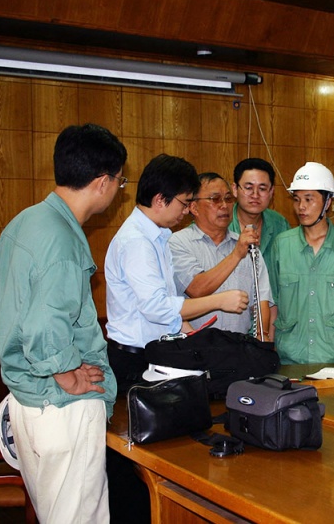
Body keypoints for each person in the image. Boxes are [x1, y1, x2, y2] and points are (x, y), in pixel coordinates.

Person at [0, 123, 127, 523]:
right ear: (103, 182)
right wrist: (66, 372)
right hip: (62, 408)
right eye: (120, 182)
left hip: (27, 400)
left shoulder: (27, 220)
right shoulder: (63, 242)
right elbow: (45, 327)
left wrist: (18, 345)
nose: (117, 189)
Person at [105, 154, 249, 394]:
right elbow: (157, 307)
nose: (186, 211)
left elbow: (166, 300)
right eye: (184, 203)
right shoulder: (137, 242)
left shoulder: (158, 236)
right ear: (160, 199)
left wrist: (188, 330)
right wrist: (218, 301)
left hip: (155, 353)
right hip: (134, 359)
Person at [266, 162, 334, 365]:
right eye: (297, 199)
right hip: (289, 357)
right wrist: (269, 343)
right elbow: (273, 300)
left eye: (309, 199)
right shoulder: (282, 244)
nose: (301, 207)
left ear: (328, 202)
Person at [170, 172, 272, 339]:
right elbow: (196, 288)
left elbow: (261, 300)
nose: (224, 205)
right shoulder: (178, 242)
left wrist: (262, 334)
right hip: (194, 346)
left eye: (228, 199)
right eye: (215, 199)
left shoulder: (249, 247)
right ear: (194, 208)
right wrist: (236, 254)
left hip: (239, 345)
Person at [229, 157, 290, 265]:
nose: (255, 195)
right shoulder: (221, 223)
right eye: (248, 188)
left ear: (271, 192)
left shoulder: (280, 224)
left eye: (262, 189)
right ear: (235, 189)